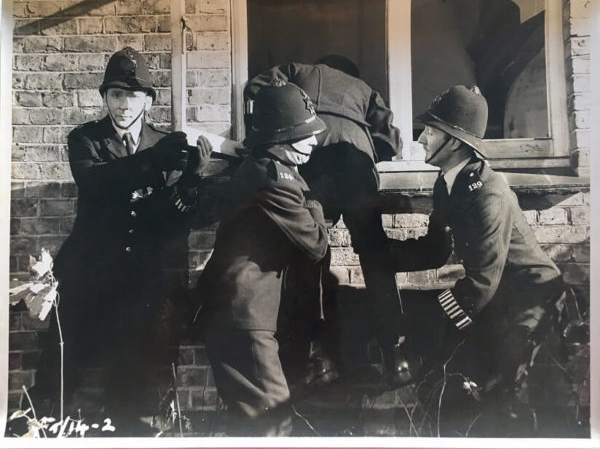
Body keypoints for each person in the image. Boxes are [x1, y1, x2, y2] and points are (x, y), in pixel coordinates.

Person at [30, 47, 213, 436]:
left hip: (141, 271)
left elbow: (171, 217)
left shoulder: (163, 143)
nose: (124, 105)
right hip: (91, 265)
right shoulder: (85, 140)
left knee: (138, 353)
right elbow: (97, 183)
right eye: (115, 94)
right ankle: (40, 423)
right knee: (63, 351)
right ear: (105, 98)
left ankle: (128, 428)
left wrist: (191, 181)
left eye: (133, 95)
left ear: (148, 100)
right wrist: (154, 162)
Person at [243, 56, 451, 387]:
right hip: (356, 159)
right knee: (376, 257)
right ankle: (396, 355)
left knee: (311, 255)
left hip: (312, 153)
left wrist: (262, 134)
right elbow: (393, 140)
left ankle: (317, 355)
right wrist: (366, 152)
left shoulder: (299, 71)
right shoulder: (365, 89)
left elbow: (254, 87)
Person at [397, 85, 567, 434]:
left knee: (503, 394)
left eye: (431, 132)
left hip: (528, 297)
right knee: (455, 373)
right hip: (494, 294)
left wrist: (434, 323)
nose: (422, 140)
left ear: (455, 142)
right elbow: (435, 246)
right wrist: (384, 255)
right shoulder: (448, 183)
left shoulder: (488, 194)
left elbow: (482, 282)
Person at [193, 79, 329, 436]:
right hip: (243, 317)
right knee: (273, 422)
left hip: (244, 316)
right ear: (280, 139)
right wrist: (315, 204)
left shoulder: (263, 167)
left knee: (256, 424)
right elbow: (315, 244)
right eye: (305, 134)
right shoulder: (276, 180)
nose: (314, 142)